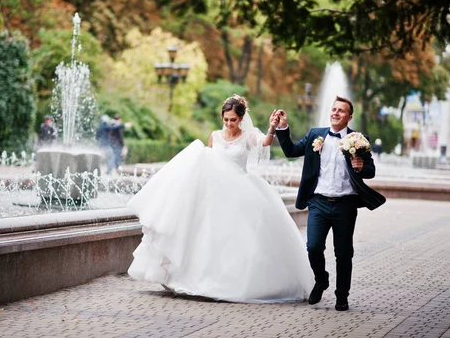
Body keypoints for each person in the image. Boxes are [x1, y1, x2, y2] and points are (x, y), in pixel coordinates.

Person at [127, 95, 314, 303]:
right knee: (204, 236)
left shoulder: (248, 136)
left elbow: (265, 142)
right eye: (225, 119)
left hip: (239, 194)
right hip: (212, 195)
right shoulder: (215, 136)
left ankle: (230, 282)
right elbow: (206, 162)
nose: (228, 123)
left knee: (232, 240)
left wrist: (272, 128)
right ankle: (192, 278)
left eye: (233, 120)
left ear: (241, 118)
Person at [274, 96, 385, 311]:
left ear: (349, 116)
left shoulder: (359, 140)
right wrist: (283, 127)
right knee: (313, 247)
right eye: (334, 109)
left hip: (345, 205)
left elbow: (370, 171)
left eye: (341, 111)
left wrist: (361, 166)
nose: (335, 113)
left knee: (343, 253)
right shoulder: (316, 135)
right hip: (318, 202)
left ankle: (342, 295)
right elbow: (290, 152)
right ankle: (321, 279)